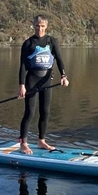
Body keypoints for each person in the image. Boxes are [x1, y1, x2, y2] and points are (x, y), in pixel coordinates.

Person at [18, 15, 69, 154]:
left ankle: (41, 141)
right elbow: (23, 66)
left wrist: (63, 76)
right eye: (37, 26)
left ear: (46, 26)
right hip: (32, 80)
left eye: (42, 26)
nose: (40, 29)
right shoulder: (28, 43)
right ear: (33, 26)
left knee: (45, 112)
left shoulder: (52, 41)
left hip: (46, 80)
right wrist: (22, 85)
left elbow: (59, 60)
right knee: (30, 112)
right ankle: (23, 143)